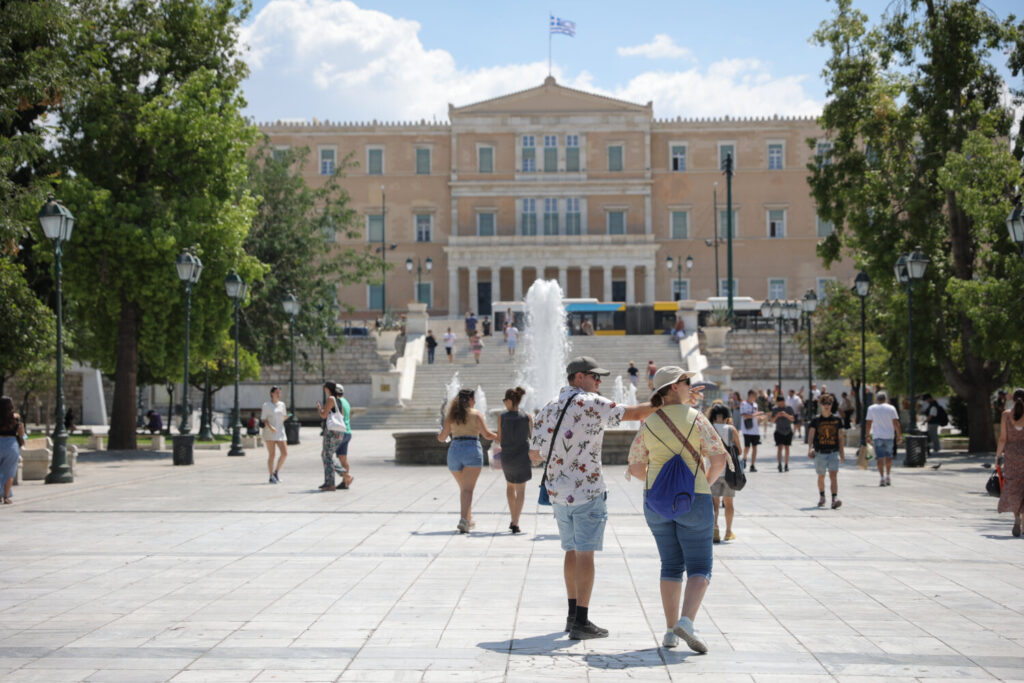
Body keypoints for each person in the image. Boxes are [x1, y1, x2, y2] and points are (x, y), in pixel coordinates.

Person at [529, 356, 656, 640]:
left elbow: (534, 455)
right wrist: (668, 401)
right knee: (585, 552)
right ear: (578, 378)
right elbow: (635, 414)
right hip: (586, 490)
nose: (599, 382)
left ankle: (572, 616)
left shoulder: (547, 408)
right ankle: (582, 621)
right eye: (595, 377)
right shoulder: (590, 402)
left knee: (571, 550)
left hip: (558, 493)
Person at [627, 366, 727, 652]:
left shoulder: (649, 422)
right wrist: (702, 485)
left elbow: (634, 467)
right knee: (700, 566)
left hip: (656, 502)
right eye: (687, 381)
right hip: (694, 498)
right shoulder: (697, 419)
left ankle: (670, 632)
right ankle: (687, 621)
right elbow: (719, 461)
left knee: (670, 565)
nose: (690, 385)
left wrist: (661, 483)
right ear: (674, 387)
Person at [438, 388, 496, 533]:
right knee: (468, 490)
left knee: (464, 489)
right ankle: (463, 520)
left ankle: (468, 519)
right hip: (471, 450)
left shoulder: (451, 415)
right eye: (474, 398)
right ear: (470, 400)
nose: (475, 401)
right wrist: (499, 436)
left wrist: (439, 433)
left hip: (454, 451)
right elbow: (487, 434)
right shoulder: (476, 414)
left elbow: (441, 437)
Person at [496, 386, 532, 534]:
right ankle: (515, 521)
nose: (504, 403)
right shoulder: (527, 417)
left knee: (510, 487)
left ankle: (513, 518)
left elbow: (498, 438)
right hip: (522, 457)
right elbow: (533, 437)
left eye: (505, 400)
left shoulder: (501, 417)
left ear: (510, 401)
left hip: (508, 457)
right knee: (521, 490)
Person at [707, 404, 740, 544]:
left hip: (712, 470)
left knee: (714, 503)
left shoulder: (708, 429)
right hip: (728, 472)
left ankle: (715, 527)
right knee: (729, 503)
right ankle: (728, 531)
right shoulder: (731, 430)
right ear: (727, 417)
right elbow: (740, 450)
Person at [808, 393, 845, 509]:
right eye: (824, 403)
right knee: (821, 476)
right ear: (821, 405)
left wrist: (842, 452)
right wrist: (810, 448)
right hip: (820, 452)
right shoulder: (816, 420)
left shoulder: (837, 420)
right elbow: (811, 435)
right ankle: (822, 496)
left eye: (829, 403)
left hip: (833, 452)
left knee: (833, 475)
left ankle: (834, 499)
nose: (827, 406)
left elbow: (840, 437)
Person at [996, 388, 1024, 537]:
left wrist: (997, 456)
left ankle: (1016, 517)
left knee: (1014, 486)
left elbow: (1003, 438)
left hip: (1012, 455)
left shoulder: (1006, 415)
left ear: (1013, 400)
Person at [866, 391, 901, 487]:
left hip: (878, 436)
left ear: (877, 399)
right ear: (885, 399)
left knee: (880, 458)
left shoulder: (871, 408)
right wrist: (899, 435)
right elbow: (896, 423)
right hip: (889, 436)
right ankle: (888, 475)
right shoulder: (891, 408)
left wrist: (867, 436)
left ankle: (882, 478)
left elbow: (868, 423)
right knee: (889, 457)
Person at [316, 381, 346, 491]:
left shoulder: (330, 399)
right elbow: (341, 415)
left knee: (326, 456)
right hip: (339, 432)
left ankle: (331, 483)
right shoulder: (339, 400)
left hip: (331, 432)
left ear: (328, 389)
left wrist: (319, 408)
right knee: (326, 455)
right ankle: (333, 478)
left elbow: (323, 415)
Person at [0, 396, 26, 505]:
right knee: (9, 472)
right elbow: (22, 435)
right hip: (11, 446)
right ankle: (6, 497)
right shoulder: (16, 419)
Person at [261, 386, 288, 484]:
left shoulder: (282, 404)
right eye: (277, 392)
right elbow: (263, 419)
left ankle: (276, 472)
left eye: (279, 392)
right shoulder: (266, 405)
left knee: (284, 453)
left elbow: (283, 417)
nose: (278, 394)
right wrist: (270, 427)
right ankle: (271, 475)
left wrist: (287, 417)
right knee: (272, 455)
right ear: (272, 393)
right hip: (270, 432)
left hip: (280, 432)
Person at [334, 384, 354, 489]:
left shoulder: (338, 402)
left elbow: (339, 417)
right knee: (343, 458)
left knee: (327, 455)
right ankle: (345, 482)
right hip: (348, 431)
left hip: (341, 432)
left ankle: (346, 476)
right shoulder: (346, 402)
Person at [770, 394, 796, 472]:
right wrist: (777, 416)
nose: (781, 403)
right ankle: (779, 464)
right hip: (779, 431)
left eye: (782, 402)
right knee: (779, 448)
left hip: (788, 430)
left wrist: (786, 415)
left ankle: (786, 464)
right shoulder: (775, 409)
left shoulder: (789, 408)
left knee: (787, 448)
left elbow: (793, 419)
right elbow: (771, 421)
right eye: (779, 402)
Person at [739, 390, 763, 471]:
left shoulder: (755, 405)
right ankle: (744, 458)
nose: (755, 397)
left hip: (755, 430)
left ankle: (752, 465)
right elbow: (745, 415)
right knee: (747, 447)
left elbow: (756, 417)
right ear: (750, 395)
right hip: (747, 430)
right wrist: (756, 414)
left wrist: (761, 418)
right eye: (754, 395)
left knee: (755, 447)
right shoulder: (743, 404)